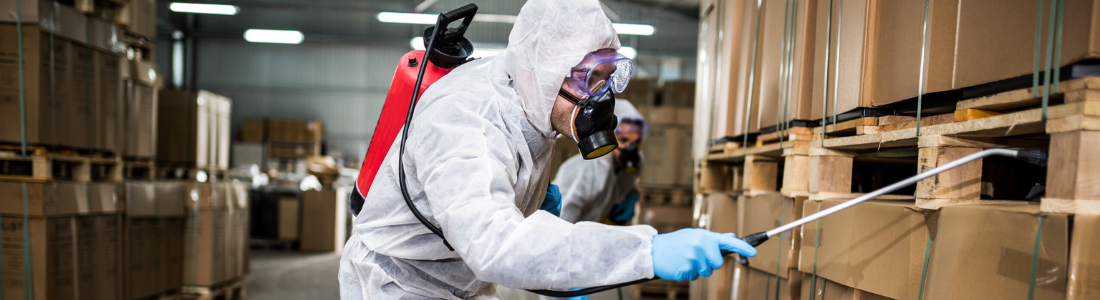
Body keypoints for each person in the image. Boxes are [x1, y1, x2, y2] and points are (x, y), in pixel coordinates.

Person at [338, 0, 756, 299]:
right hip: (400, 284)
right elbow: (493, 244)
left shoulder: (533, 103)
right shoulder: (464, 121)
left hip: (459, 279)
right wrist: (646, 251)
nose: (603, 96)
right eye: (591, 79)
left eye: (610, 77)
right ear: (546, 70)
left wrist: (529, 205)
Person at [553, 100, 646, 225]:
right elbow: (563, 218)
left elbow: (630, 182)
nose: (631, 148)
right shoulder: (587, 170)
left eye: (636, 142)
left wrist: (632, 195)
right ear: (610, 137)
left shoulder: (635, 162)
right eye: (624, 140)